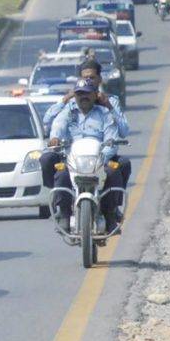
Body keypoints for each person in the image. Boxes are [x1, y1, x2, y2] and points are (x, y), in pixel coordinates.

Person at [40, 59, 131, 211]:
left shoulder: (107, 107)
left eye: (92, 78)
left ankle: (112, 209)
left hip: (99, 156)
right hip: (72, 157)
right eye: (84, 79)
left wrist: (108, 106)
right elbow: (53, 122)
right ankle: (61, 205)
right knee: (49, 161)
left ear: (99, 79)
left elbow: (122, 132)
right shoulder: (70, 107)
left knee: (119, 167)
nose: (84, 96)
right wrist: (65, 100)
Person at [48, 78, 123, 233]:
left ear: (95, 95)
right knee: (61, 174)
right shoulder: (68, 111)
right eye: (80, 94)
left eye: (87, 94)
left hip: (98, 159)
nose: (84, 97)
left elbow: (112, 138)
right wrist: (55, 137)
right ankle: (64, 214)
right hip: (73, 160)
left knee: (114, 172)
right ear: (75, 96)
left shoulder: (104, 114)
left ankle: (110, 216)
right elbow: (57, 124)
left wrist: (103, 157)